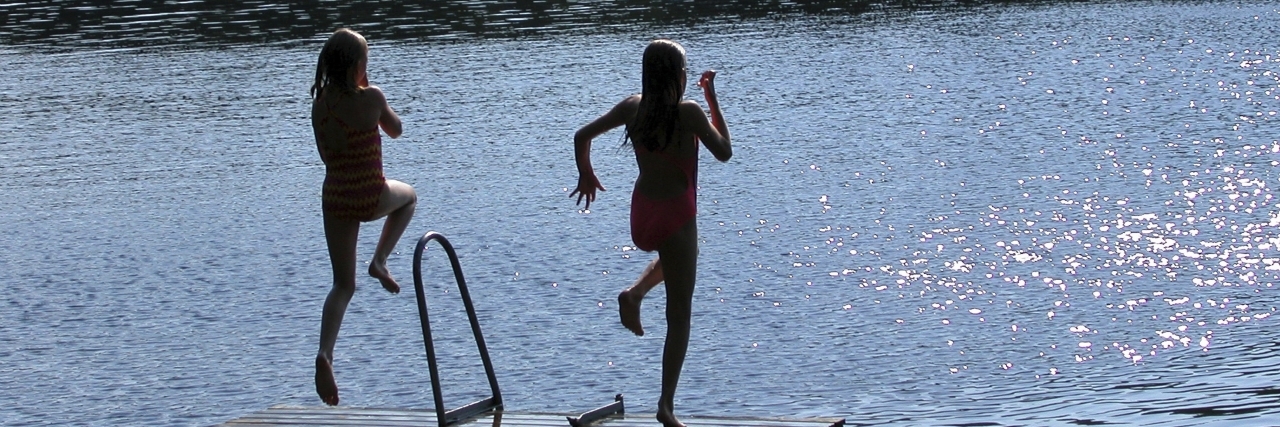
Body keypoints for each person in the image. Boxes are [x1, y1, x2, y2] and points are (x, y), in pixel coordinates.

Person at [570, 39, 732, 427]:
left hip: (643, 213)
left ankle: (635, 292)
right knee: (679, 317)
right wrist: (712, 101)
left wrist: (586, 173)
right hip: (677, 214)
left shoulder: (632, 107)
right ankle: (666, 406)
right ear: (679, 76)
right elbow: (724, 151)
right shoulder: (689, 113)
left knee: (675, 262)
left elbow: (581, 136)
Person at [309, 28, 417, 406]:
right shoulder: (372, 98)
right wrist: (369, 88)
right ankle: (380, 260)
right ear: (359, 67)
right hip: (371, 195)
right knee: (409, 198)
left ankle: (325, 354)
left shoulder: (320, 104)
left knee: (342, 285)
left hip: (335, 198)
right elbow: (397, 130)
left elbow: (325, 155)